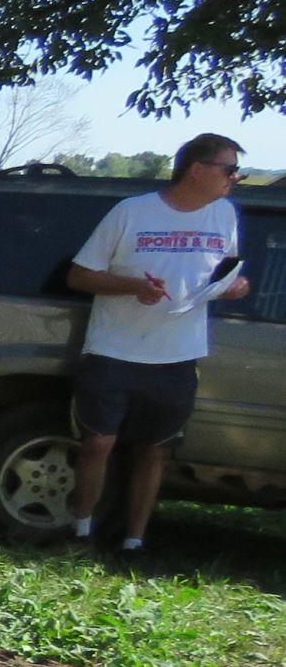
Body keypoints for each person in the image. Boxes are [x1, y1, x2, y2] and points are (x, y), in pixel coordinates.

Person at [63, 134, 255, 551]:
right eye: (229, 169)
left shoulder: (224, 214)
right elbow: (79, 276)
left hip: (178, 354)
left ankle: (134, 542)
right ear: (197, 169)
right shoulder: (131, 212)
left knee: (155, 449)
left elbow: (223, 272)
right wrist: (132, 286)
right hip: (115, 349)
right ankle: (79, 532)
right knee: (99, 442)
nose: (235, 178)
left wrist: (233, 286)